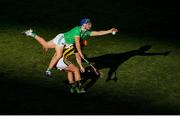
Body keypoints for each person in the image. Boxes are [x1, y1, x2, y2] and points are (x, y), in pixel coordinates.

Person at [23, 18, 118, 77]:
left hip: (61, 37)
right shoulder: (77, 31)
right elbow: (77, 44)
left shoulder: (86, 32)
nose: (90, 24)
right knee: (59, 54)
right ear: (84, 24)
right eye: (88, 23)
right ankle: (48, 70)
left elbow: (98, 33)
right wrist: (81, 54)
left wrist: (109, 31)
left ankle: (31, 33)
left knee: (46, 45)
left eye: (90, 23)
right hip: (62, 39)